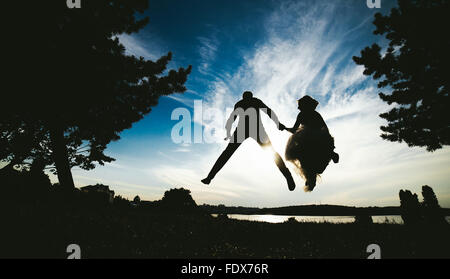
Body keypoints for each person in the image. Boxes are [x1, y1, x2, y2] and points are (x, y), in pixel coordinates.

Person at [201, 91, 296, 191]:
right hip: (243, 130)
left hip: (256, 129)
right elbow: (233, 118)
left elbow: (268, 111)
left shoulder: (251, 102)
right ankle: (210, 177)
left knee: (271, 152)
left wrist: (278, 123)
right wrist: (278, 123)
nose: (247, 100)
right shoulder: (242, 103)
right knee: (227, 153)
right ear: (244, 98)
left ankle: (287, 176)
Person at [281, 95, 339, 191]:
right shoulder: (303, 115)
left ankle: (330, 155)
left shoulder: (315, 114)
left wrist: (328, 143)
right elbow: (294, 130)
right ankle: (310, 178)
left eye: (299, 105)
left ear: (305, 105)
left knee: (307, 160)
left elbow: (324, 128)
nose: (298, 108)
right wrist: (285, 128)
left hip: (315, 139)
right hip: (309, 140)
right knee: (307, 162)